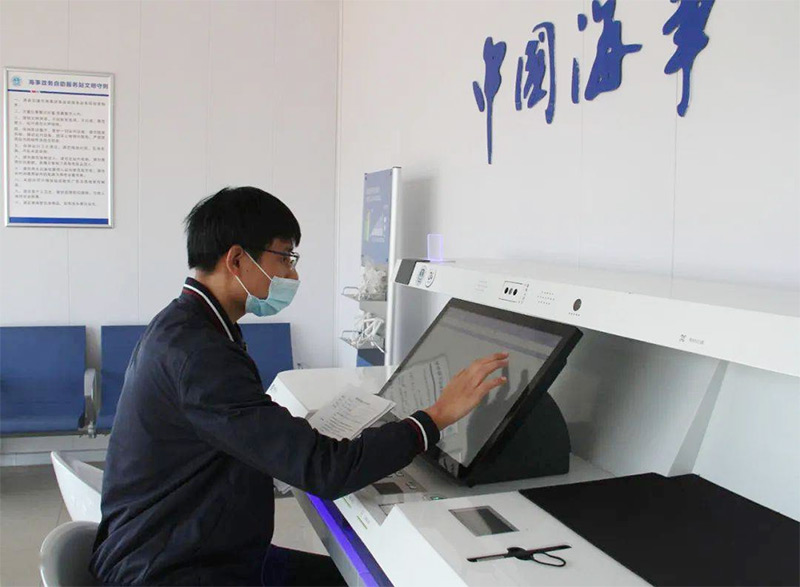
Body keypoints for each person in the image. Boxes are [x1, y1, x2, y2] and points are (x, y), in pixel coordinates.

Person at [89, 187, 509, 585]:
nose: (292, 273)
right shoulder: (199, 354)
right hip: (172, 570)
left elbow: (242, 427)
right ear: (237, 260)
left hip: (190, 547)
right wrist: (435, 417)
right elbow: (324, 471)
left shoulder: (186, 326)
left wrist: (301, 432)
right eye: (285, 258)